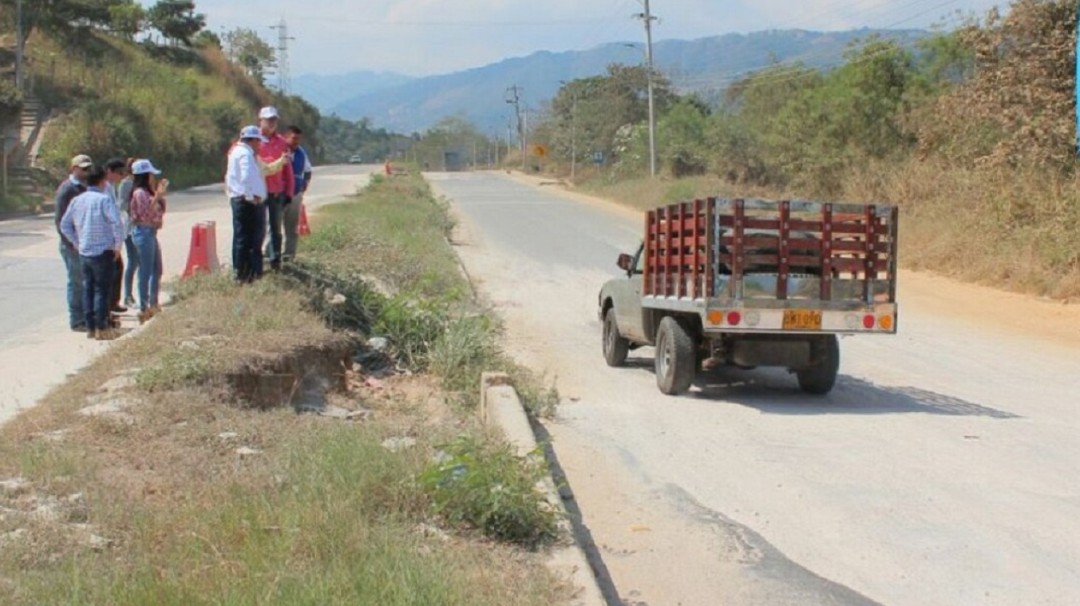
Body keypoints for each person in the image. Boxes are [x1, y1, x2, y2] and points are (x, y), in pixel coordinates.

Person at [59, 165, 125, 341]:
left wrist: (76, 242)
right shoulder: (104, 200)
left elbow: (64, 225)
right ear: (103, 181)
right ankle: (101, 328)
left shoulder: (77, 200)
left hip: (85, 252)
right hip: (103, 251)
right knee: (102, 290)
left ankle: (90, 327)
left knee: (88, 289)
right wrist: (118, 246)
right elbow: (117, 224)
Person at [54, 154, 93, 332]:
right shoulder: (67, 189)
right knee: (76, 282)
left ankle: (86, 316)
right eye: (82, 168)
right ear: (73, 168)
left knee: (86, 281)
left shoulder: (85, 188)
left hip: (85, 242)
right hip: (72, 244)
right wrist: (71, 243)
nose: (86, 172)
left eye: (88, 168)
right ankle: (77, 320)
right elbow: (61, 221)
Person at [227, 125, 269, 282]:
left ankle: (242, 272)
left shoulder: (237, 152)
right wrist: (251, 196)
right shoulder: (245, 154)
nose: (260, 145)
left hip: (241, 199)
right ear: (252, 140)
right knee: (248, 239)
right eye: (258, 141)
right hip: (245, 201)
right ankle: (246, 274)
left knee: (242, 238)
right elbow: (245, 177)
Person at [128, 159, 168, 323]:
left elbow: (159, 209)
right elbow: (145, 213)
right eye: (151, 174)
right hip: (143, 232)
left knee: (157, 268)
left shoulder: (148, 192)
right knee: (146, 270)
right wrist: (157, 195)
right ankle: (144, 307)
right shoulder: (139, 193)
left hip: (150, 232)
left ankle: (153, 302)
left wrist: (159, 197)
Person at [256, 106, 295, 271]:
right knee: (258, 228)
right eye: (268, 120)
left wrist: (289, 192)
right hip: (258, 191)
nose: (271, 123)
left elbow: (288, 170)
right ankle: (256, 260)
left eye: (274, 120)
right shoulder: (253, 140)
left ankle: (275, 259)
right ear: (261, 121)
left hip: (276, 191)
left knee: (275, 227)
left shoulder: (281, 142)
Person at [282, 125, 312, 262]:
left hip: (295, 195)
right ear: (286, 136)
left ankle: (289, 256)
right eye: (294, 138)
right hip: (279, 194)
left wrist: (304, 185)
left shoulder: (301, 153)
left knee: (292, 228)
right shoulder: (279, 149)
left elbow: (308, 170)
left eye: (299, 139)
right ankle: (271, 256)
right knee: (274, 227)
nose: (296, 142)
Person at [103, 158, 129, 315]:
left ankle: (113, 302)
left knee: (117, 268)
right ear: (109, 172)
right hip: (105, 238)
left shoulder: (112, 187)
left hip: (113, 237)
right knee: (110, 272)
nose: (121, 176)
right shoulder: (104, 188)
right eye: (119, 173)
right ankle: (107, 307)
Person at [117, 158, 138, 309]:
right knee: (133, 260)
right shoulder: (126, 183)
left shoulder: (142, 183)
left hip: (143, 226)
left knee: (142, 261)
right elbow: (122, 204)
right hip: (130, 227)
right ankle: (128, 295)